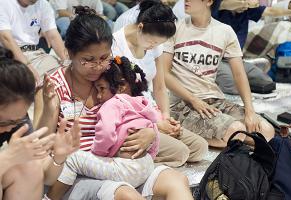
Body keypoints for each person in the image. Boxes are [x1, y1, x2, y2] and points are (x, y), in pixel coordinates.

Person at [35, 6, 194, 200]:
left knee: (177, 180)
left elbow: (137, 108)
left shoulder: (114, 76)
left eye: (104, 58)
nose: (98, 66)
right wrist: (50, 109)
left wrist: (150, 131)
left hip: (115, 164)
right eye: (88, 60)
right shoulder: (54, 85)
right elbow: (40, 147)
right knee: (124, 194)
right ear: (69, 53)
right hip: (75, 174)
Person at [47, 56, 163, 199]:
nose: (99, 95)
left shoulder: (111, 104)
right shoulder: (141, 101)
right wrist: (151, 152)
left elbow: (107, 134)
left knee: (71, 157)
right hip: (146, 164)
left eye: (102, 89)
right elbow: (154, 129)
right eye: (97, 89)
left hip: (125, 168)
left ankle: (49, 198)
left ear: (120, 87)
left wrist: (98, 154)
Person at [162, 0, 275, 148]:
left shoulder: (225, 31)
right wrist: (193, 99)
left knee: (266, 131)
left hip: (214, 100)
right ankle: (185, 133)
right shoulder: (175, 28)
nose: (186, 0)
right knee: (235, 131)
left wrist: (250, 111)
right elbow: (164, 73)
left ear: (209, 1)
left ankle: (237, 139)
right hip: (182, 104)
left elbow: (239, 74)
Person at [112, 0, 208, 167]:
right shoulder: (116, 46)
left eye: (158, 44)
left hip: (152, 113)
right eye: (152, 42)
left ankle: (154, 146)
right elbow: (120, 98)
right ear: (140, 27)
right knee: (180, 153)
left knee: (200, 148)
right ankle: (128, 157)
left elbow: (160, 87)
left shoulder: (154, 43)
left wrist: (166, 117)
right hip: (131, 118)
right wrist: (155, 123)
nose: (153, 47)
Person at [0, 46, 81, 200]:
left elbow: (45, 176)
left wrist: (59, 156)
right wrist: (7, 158)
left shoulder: (18, 121)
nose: (11, 126)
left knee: (30, 169)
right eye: (4, 122)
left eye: (17, 119)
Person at [0, 0, 68, 83]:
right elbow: (5, 37)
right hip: (9, 55)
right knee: (38, 82)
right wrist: (26, 65)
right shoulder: (4, 3)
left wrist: (67, 62)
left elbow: (53, 35)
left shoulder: (43, 4)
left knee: (64, 76)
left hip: (36, 53)